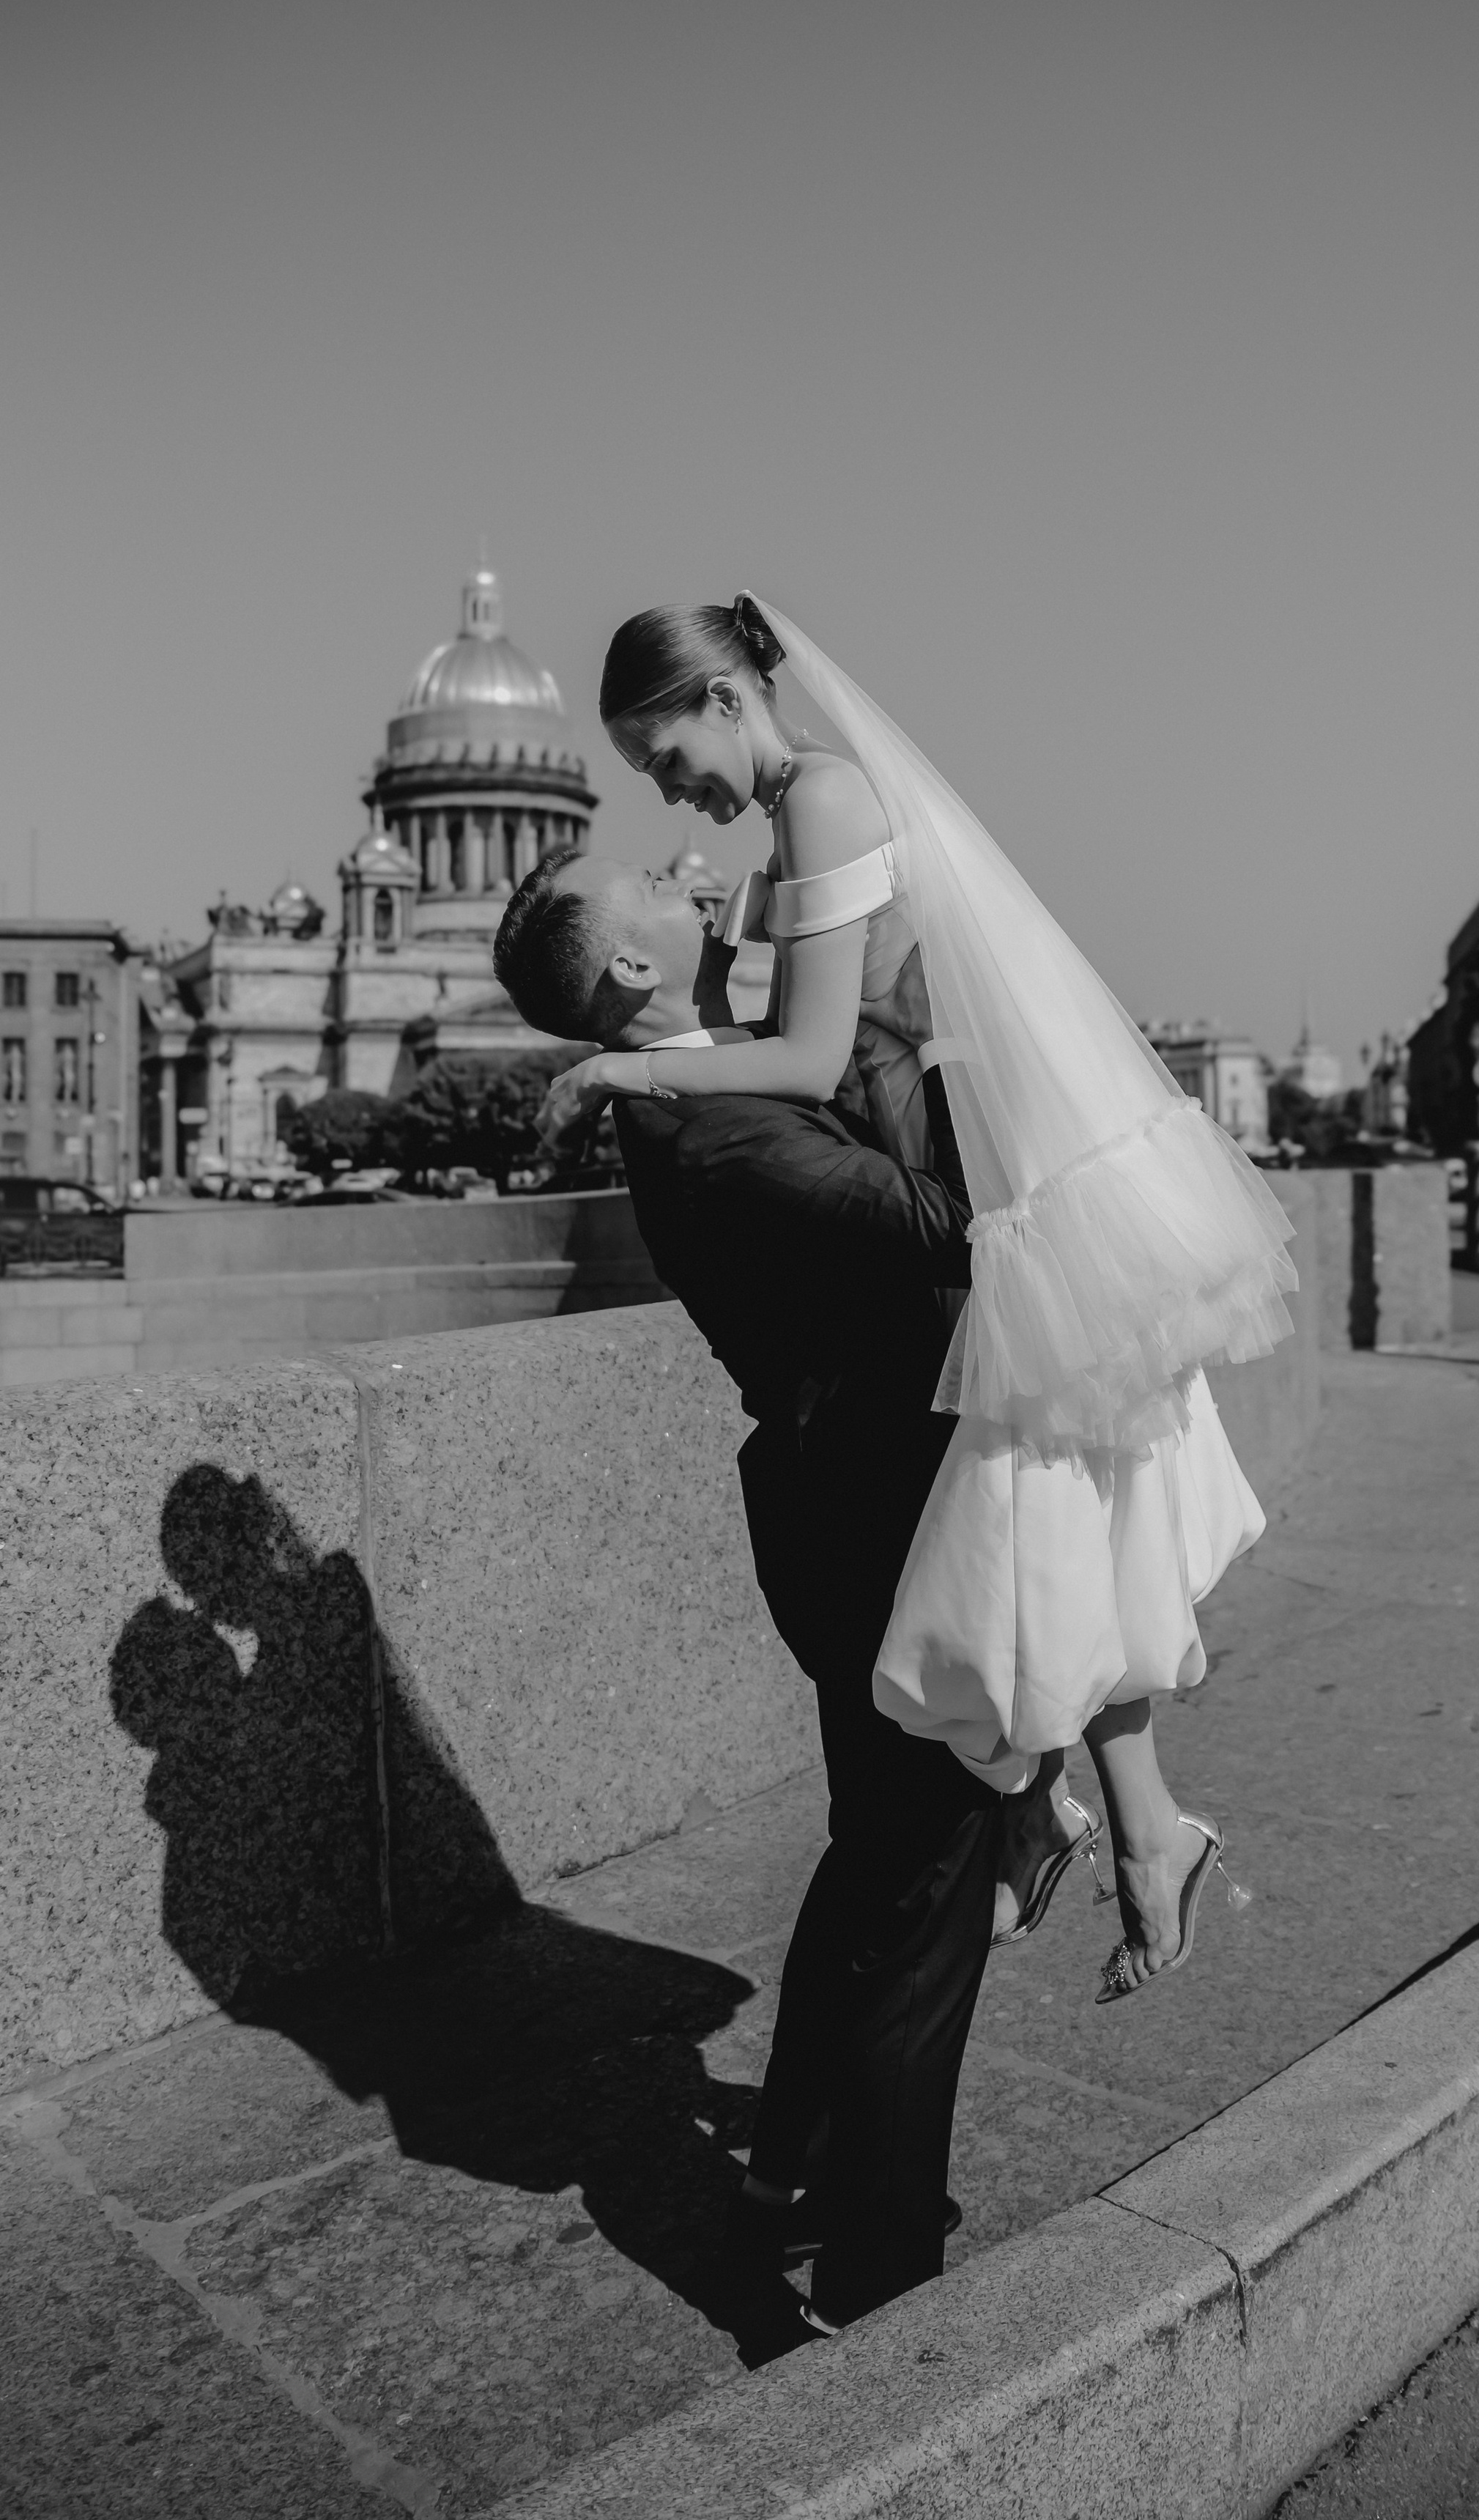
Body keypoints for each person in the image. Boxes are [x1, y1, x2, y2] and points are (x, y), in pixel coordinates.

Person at [538, 596, 1296, 1999]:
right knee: (1045, 1504)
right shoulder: (797, 814)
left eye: (664, 756)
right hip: (965, 1177)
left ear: (722, 696)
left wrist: (631, 1071)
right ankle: (1112, 1827)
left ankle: (1086, 1825)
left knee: (1036, 1501)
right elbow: (817, 1046)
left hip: (970, 1186)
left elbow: (816, 1056)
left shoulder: (820, 798)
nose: (671, 796)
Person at [493, 857, 997, 2340]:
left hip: (846, 1497)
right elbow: (946, 1217)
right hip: (868, 1508)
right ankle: (878, 2271)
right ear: (631, 972)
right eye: (655, 882)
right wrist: (914, 1009)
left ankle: (789, 2163)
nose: (693, 873)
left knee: (877, 1850)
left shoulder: (710, 1078)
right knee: (922, 1883)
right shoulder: (708, 1120)